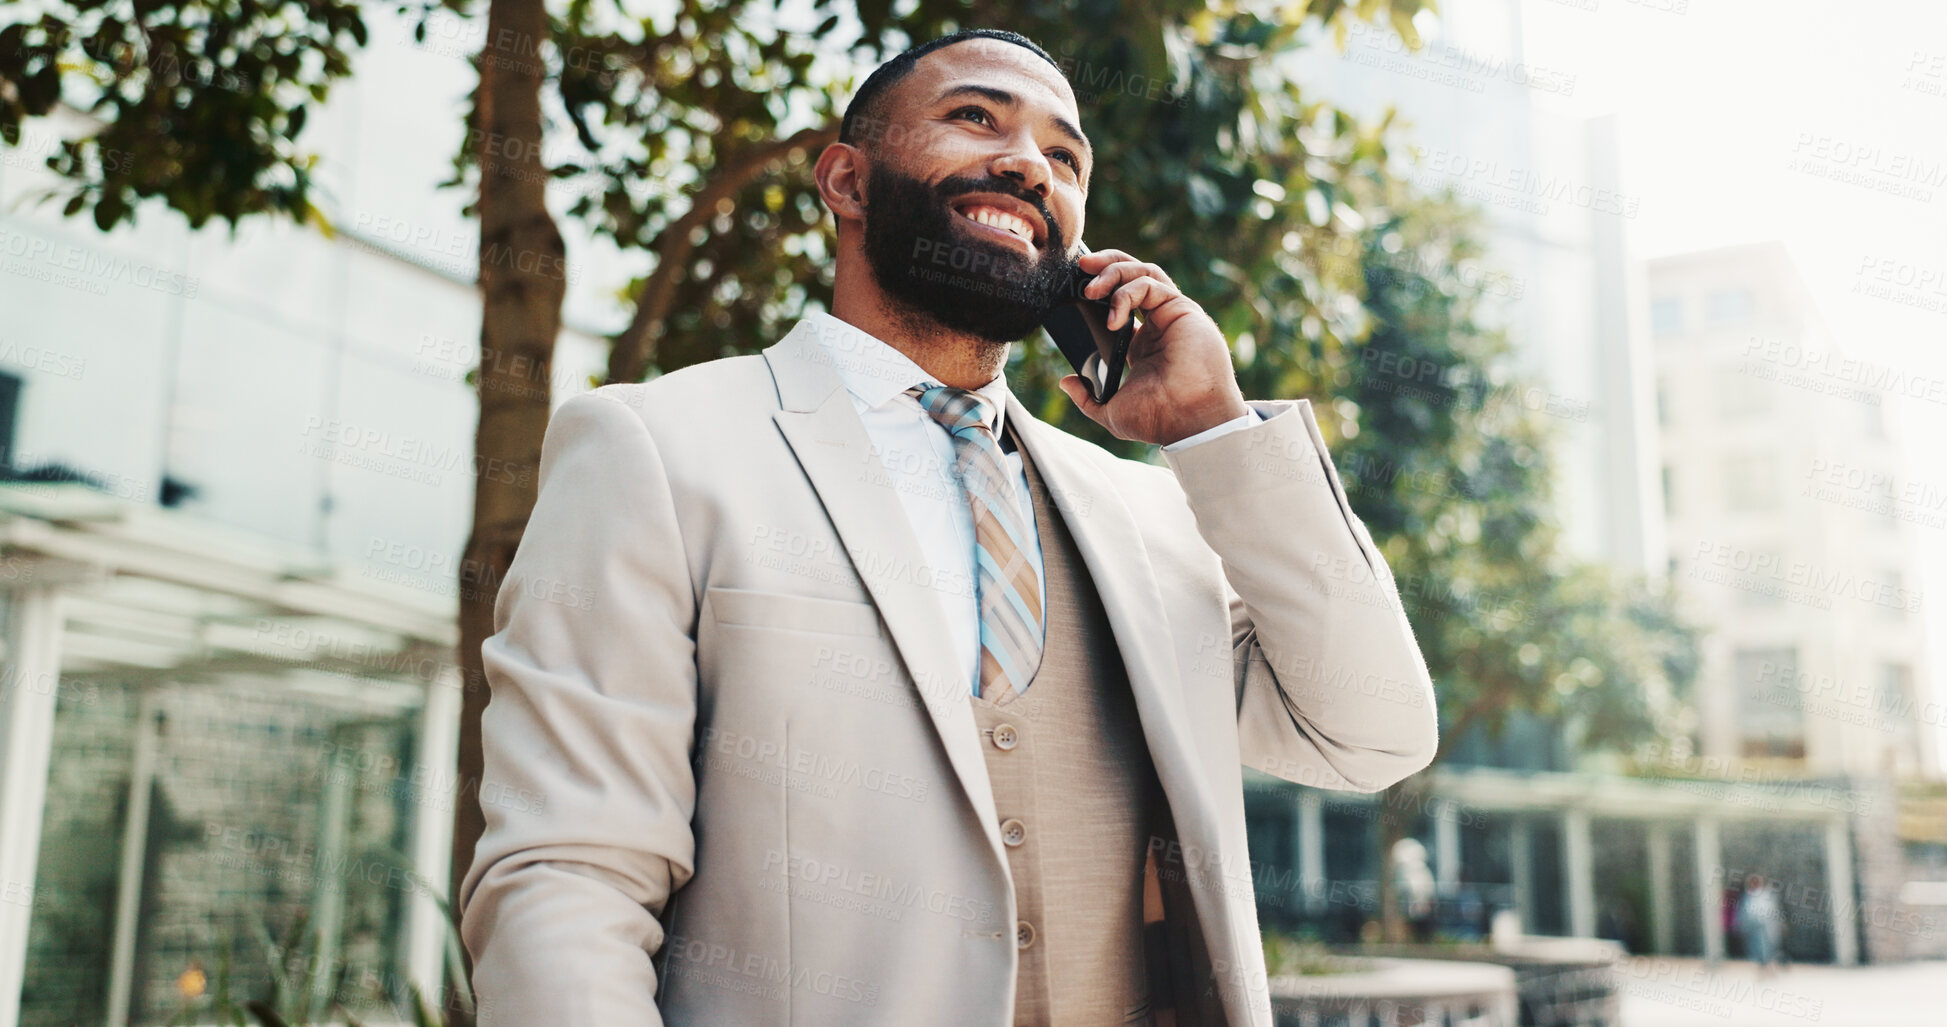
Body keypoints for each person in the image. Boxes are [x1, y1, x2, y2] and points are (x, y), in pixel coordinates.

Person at [457, 28, 1439, 1026]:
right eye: (976, 118)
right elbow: (569, 880)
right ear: (845, 178)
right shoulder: (658, 450)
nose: (1027, 164)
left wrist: (1218, 432)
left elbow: (1370, 735)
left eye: (1065, 157)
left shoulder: (1153, 518)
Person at [1735, 874, 1786, 975]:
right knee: (1756, 949)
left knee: (1768, 948)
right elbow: (1744, 911)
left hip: (1767, 927)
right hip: (1753, 927)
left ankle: (1768, 968)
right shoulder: (1748, 896)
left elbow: (1774, 910)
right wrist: (1741, 924)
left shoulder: (1767, 895)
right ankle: (1764, 968)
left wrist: (1779, 923)